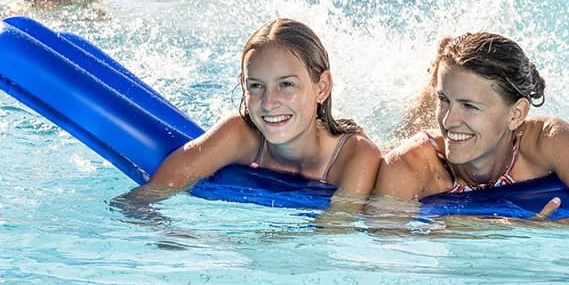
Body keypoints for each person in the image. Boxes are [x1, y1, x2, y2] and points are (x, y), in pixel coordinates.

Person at [370, 31, 569, 226]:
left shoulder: (547, 141)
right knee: (404, 135)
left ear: (516, 115)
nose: (448, 118)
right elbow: (384, 236)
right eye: (443, 100)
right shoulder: (408, 166)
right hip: (412, 149)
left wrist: (536, 229)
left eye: (470, 105)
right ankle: (436, 82)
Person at [119, 19, 381, 223]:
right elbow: (146, 196)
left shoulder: (356, 156)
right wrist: (169, 231)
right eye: (256, 86)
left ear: (322, 87)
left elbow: (335, 228)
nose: (268, 102)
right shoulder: (239, 135)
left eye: (286, 84)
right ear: (242, 85)